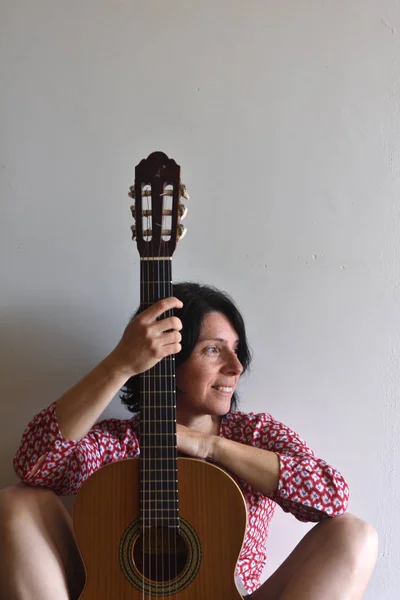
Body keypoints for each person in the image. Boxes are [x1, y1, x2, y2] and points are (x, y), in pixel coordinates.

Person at [0, 282, 378, 600]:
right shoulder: (122, 443)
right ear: (166, 360)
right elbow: (35, 465)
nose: (235, 366)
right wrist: (120, 364)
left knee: (353, 534)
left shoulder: (254, 434)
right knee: (17, 500)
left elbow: (331, 495)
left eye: (235, 349)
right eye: (213, 350)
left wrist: (209, 446)